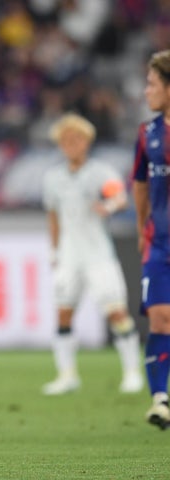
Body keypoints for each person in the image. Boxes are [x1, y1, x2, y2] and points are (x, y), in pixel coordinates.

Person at [41, 112, 143, 396]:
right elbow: (53, 218)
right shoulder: (53, 177)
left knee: (117, 312)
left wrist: (109, 207)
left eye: (76, 139)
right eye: (65, 140)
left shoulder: (100, 172)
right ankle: (67, 374)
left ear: (87, 141)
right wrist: (54, 251)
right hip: (69, 254)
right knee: (63, 314)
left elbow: (120, 197)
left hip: (98, 254)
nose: (71, 144)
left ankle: (132, 372)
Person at [131, 49, 170, 429]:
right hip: (159, 242)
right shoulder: (148, 134)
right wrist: (144, 226)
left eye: (153, 84)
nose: (147, 91)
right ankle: (160, 398)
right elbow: (140, 182)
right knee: (160, 318)